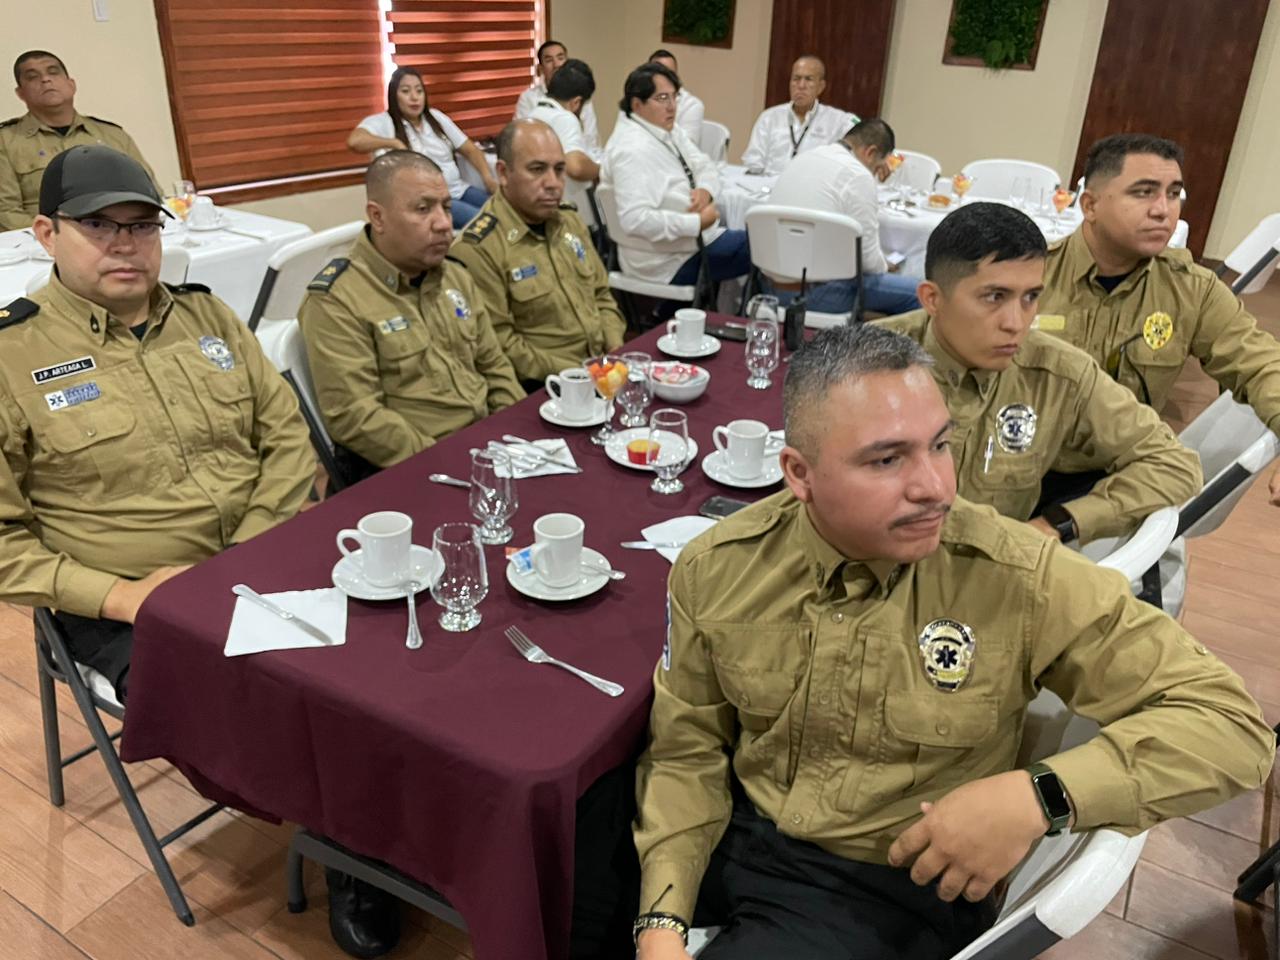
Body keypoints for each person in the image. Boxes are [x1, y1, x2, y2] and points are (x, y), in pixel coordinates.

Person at [632, 322, 1273, 960]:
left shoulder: (1014, 576)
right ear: (800, 475)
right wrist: (660, 920)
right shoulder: (719, 566)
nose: (936, 486)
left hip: (883, 886)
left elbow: (1230, 726)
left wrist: (1040, 795)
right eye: (887, 459)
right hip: (728, 824)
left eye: (940, 445)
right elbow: (688, 750)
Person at [877, 201, 1201, 544]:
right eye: (994, 297)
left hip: (992, 567)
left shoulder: (1060, 374)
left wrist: (1057, 524)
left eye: (1030, 297)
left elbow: (1175, 464)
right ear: (932, 299)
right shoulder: (862, 366)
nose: (1015, 323)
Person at [1038, 132, 1280, 507]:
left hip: (1111, 482)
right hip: (1012, 468)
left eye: (1173, 194)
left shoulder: (1190, 289)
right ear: (1090, 205)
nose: (1163, 210)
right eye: (1143, 192)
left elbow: (1262, 365)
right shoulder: (1031, 276)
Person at [297, 150, 522, 485]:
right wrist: (449, 463)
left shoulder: (455, 276)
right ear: (378, 217)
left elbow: (494, 365)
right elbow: (357, 417)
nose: (443, 223)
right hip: (412, 471)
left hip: (487, 451)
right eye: (423, 209)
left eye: (446, 207)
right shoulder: (337, 300)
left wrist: (513, 435)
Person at [449, 119, 625, 385]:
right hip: (543, 386)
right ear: (503, 173)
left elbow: (601, 294)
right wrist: (580, 373)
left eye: (559, 169)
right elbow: (500, 344)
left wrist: (613, 346)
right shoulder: (479, 247)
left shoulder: (569, 221)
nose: (553, 183)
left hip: (601, 370)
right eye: (537, 169)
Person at [601, 63, 750, 290]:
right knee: (766, 248)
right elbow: (635, 219)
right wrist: (696, 223)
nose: (672, 106)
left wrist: (706, 190)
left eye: (674, 97)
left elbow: (704, 164)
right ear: (637, 104)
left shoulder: (666, 130)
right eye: (662, 98)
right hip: (666, 259)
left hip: (689, 243)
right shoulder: (631, 150)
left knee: (762, 244)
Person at [768, 117, 921, 315]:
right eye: (877, 168)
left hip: (769, 286)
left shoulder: (804, 157)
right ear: (870, 152)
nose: (875, 175)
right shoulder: (857, 175)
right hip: (816, 293)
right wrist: (885, 264)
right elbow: (869, 263)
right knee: (922, 294)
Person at [0, 50, 156, 230]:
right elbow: (6, 211)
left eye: (53, 72)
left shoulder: (112, 135)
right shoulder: (6, 141)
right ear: (20, 93)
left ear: (71, 84)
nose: (45, 79)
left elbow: (149, 193)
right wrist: (64, 236)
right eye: (33, 77)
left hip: (118, 233)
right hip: (41, 241)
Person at [347, 66, 497, 229]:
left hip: (459, 189)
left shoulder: (436, 117)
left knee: (505, 210)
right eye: (406, 91)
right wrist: (394, 143)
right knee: (489, 223)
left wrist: (488, 179)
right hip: (433, 201)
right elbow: (355, 141)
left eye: (419, 91)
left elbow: (470, 150)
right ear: (393, 95)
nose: (414, 97)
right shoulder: (384, 121)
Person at [740, 55, 857, 176]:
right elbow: (753, 161)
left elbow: (857, 143)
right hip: (770, 184)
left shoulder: (838, 121)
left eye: (808, 79)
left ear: (821, 87)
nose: (801, 86)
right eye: (796, 79)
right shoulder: (769, 118)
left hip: (813, 185)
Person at [526, 59, 600, 225]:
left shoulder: (533, 114)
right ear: (576, 103)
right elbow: (576, 167)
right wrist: (602, 171)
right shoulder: (565, 119)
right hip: (569, 215)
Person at [515, 39, 601, 156]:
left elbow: (591, 139)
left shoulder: (580, 93)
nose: (557, 65)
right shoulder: (529, 98)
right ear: (541, 68)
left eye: (560, 58)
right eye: (549, 60)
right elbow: (521, 139)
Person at [649, 49, 705, 145]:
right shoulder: (638, 101)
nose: (663, 79)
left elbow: (686, 148)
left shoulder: (692, 105)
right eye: (658, 73)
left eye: (669, 74)